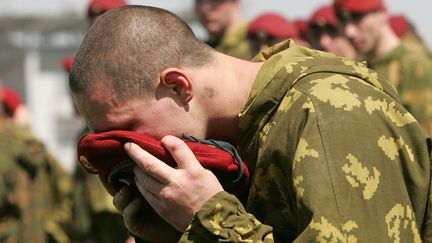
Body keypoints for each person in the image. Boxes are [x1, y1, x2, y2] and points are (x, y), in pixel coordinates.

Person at [70, 5, 432, 242]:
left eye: (129, 130)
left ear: (178, 87)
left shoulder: (327, 111)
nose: (129, 150)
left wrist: (210, 217)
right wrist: (176, 233)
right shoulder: (249, 128)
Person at [334, 0, 432, 134]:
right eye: (342, 21)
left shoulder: (414, 65)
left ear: (382, 13)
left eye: (357, 18)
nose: (349, 31)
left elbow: (427, 136)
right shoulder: (362, 66)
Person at [0, 94, 73, 242]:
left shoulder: (4, 149)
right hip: (44, 236)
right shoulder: (36, 146)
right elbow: (67, 188)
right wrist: (54, 227)